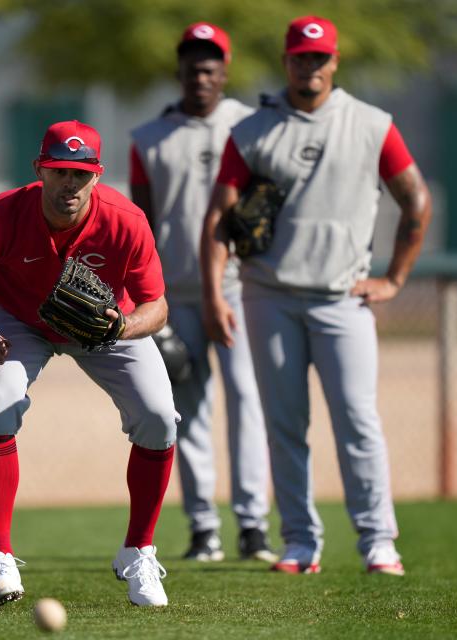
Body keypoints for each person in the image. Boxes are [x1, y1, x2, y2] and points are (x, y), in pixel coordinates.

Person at [201, 16, 432, 576]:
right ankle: (301, 541)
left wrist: (395, 279)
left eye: (320, 58)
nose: (311, 67)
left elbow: (416, 200)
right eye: (301, 58)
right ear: (287, 62)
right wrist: (213, 295)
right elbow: (220, 217)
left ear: (334, 63)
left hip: (341, 299)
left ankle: (379, 541)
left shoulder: (372, 124)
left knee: (357, 420)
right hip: (267, 294)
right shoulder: (253, 131)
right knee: (284, 423)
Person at [0, 120, 178, 608]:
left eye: (81, 174)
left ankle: (139, 551)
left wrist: (121, 326)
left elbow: (157, 307)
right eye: (60, 171)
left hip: (104, 323)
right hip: (17, 319)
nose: (70, 184)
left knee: (159, 417)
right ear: (39, 169)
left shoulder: (125, 220)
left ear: (98, 176)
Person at [130, 22, 276, 564]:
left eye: (211, 65)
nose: (201, 74)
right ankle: (203, 528)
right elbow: (141, 222)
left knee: (246, 402)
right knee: (184, 410)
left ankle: (253, 525)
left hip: (237, 288)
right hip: (173, 295)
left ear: (225, 71)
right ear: (180, 71)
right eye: (192, 64)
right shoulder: (148, 136)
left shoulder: (250, 125)